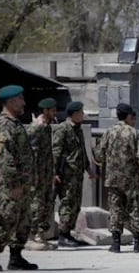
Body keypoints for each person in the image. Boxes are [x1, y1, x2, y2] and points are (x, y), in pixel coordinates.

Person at [93, 103, 139, 253]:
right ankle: (138, 244)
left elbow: (99, 155)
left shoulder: (108, 132)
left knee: (115, 209)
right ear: (128, 116)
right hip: (132, 179)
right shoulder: (133, 133)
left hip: (113, 179)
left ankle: (116, 243)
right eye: (133, 116)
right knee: (135, 208)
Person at [0, 85, 38, 270]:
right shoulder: (4, 125)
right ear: (11, 102)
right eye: (20, 99)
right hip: (11, 185)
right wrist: (14, 183)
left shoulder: (15, 123)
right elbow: (3, 156)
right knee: (4, 219)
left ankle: (16, 257)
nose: (24, 102)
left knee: (23, 221)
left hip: (23, 184)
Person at [52, 101, 97, 247]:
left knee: (75, 204)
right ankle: (63, 235)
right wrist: (54, 173)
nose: (83, 114)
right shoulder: (62, 129)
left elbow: (82, 152)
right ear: (75, 114)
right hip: (66, 174)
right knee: (67, 203)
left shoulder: (78, 129)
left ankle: (68, 233)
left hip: (76, 174)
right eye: (81, 112)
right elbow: (55, 152)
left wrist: (88, 169)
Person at [25, 98, 58, 251]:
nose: (55, 113)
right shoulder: (35, 128)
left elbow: (47, 153)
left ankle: (41, 235)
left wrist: (51, 173)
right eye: (52, 110)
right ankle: (31, 237)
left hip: (45, 175)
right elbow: (29, 154)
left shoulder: (47, 127)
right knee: (36, 205)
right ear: (45, 111)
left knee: (45, 205)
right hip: (36, 176)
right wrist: (33, 176)